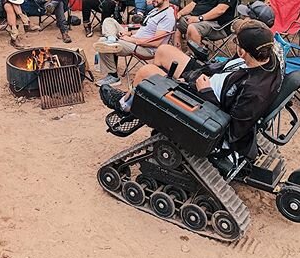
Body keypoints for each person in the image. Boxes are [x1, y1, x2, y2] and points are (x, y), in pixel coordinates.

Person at [101, 20, 282, 156]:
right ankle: (147, 101)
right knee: (164, 50)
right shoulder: (265, 57)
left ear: (244, 51)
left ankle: (125, 104)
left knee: (147, 72)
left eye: (238, 44)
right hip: (206, 79)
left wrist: (205, 91)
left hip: (205, 106)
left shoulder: (256, 92)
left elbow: (231, 130)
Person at [92, 0, 176, 86]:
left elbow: (156, 43)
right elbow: (145, 29)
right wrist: (130, 33)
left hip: (145, 49)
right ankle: (112, 39)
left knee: (103, 43)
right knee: (109, 21)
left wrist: (130, 39)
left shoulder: (167, 16)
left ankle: (113, 76)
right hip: (134, 39)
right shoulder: (156, 10)